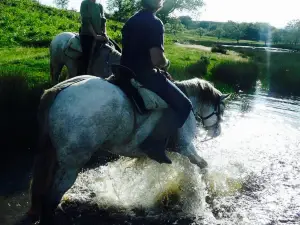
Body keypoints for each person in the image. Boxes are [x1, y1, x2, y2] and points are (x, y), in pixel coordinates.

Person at [120, 0, 193, 164]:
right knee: (184, 106)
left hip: (123, 71)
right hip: (144, 74)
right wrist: (166, 63)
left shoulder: (131, 20)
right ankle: (153, 144)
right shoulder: (154, 22)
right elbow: (157, 59)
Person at [79, 0, 108, 74]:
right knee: (87, 56)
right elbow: (86, 21)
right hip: (87, 34)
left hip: (99, 34)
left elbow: (103, 21)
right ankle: (83, 73)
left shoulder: (100, 6)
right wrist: (95, 36)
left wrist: (104, 33)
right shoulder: (85, 3)